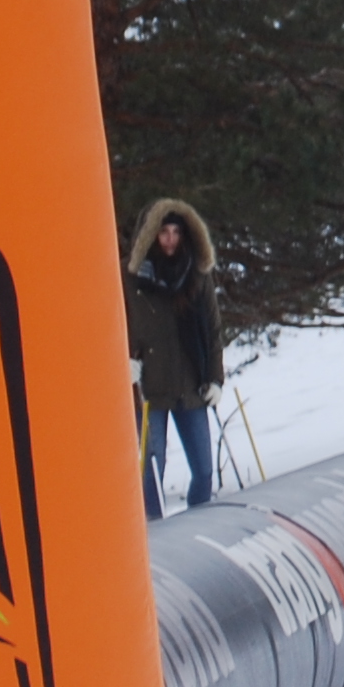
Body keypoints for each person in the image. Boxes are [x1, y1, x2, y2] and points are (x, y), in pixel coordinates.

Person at [126, 197, 226, 515]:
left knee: (204, 470)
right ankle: (156, 534)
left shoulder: (197, 274)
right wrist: (124, 361)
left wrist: (215, 379)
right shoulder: (130, 278)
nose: (170, 239)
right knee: (152, 470)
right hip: (151, 388)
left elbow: (212, 329)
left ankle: (200, 522)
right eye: (163, 232)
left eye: (176, 232)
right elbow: (117, 323)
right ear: (150, 234)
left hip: (192, 386)